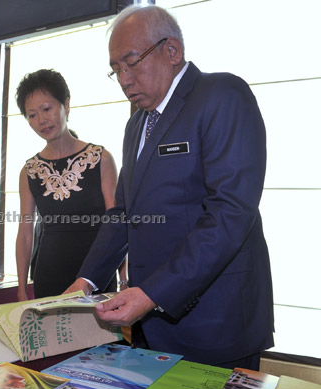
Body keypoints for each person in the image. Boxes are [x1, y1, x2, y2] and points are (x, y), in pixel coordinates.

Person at [65, 5, 274, 370]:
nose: (125, 79)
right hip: (150, 318)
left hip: (214, 318)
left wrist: (153, 293)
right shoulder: (137, 126)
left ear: (172, 51)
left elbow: (230, 211)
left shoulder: (221, 95)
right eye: (116, 70)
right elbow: (124, 213)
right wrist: (86, 280)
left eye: (132, 63)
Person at [15, 69, 118, 301]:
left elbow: (116, 223)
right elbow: (25, 233)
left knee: (104, 338)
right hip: (49, 275)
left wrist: (123, 273)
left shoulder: (101, 158)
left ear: (66, 105)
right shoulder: (29, 170)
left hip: (96, 276)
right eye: (31, 114)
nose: (41, 120)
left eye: (47, 109)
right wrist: (22, 288)